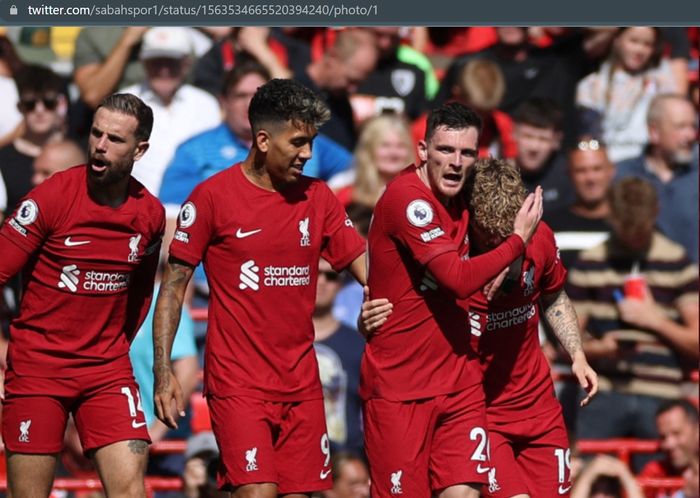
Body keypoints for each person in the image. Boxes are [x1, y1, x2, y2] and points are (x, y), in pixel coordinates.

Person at [152, 79, 376, 497]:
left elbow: (370, 272)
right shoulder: (212, 198)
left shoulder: (320, 198)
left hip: (303, 385)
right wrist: (163, 372)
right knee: (257, 492)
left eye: (312, 142)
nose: (308, 154)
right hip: (239, 384)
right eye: (298, 142)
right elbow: (173, 287)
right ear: (262, 140)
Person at [362, 102, 542, 498]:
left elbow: (508, 218)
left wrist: (513, 260)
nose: (456, 162)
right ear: (423, 151)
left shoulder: (465, 194)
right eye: (445, 150)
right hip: (400, 387)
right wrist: (516, 243)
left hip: (460, 382)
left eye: (466, 153)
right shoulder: (407, 200)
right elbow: (458, 280)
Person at [0, 92, 164, 497]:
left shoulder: (150, 215)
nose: (100, 146)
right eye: (96, 133)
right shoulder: (50, 198)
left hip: (105, 368)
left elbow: (141, 292)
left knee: (131, 491)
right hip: (39, 366)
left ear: (139, 150)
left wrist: (113, 346)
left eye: (115, 139)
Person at [464, 158, 598, 498]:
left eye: (507, 238)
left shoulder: (539, 238)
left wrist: (577, 354)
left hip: (539, 405)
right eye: (489, 239)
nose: (500, 248)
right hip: (484, 411)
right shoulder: (453, 253)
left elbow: (553, 296)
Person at [567, 177, 699, 470]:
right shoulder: (591, 261)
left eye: (640, 231)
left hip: (661, 397)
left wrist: (654, 320)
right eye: (627, 231)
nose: (635, 239)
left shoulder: (677, 262)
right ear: (611, 217)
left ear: (655, 213)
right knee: (592, 479)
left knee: (659, 481)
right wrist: (601, 349)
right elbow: (566, 338)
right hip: (603, 391)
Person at [120, 27, 221, 196]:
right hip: (137, 208)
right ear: (143, 63)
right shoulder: (122, 103)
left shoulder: (206, 105)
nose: (164, 70)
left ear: (186, 64)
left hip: (196, 207)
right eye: (156, 61)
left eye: (171, 62)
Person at [576, 27, 680, 162]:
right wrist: (595, 155)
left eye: (647, 44)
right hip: (608, 162)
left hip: (648, 163)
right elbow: (588, 136)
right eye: (633, 41)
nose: (640, 50)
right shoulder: (591, 85)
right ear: (617, 40)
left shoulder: (660, 82)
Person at [615, 94, 698, 262]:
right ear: (654, 132)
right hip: (641, 281)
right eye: (681, 127)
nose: (690, 135)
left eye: (693, 126)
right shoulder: (623, 174)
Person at [313, 259, 365, 456]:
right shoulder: (281, 341)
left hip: (346, 460)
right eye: (314, 273)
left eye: (331, 276)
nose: (322, 281)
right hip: (294, 459)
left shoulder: (357, 344)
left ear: (341, 284)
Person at [511, 98, 575, 214]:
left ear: (557, 141)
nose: (534, 147)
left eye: (543, 139)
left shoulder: (571, 175)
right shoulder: (497, 175)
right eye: (528, 136)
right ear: (513, 133)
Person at [639, 400, 699, 491]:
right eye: (663, 437)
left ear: (697, 430)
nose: (669, 444)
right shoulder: (655, 473)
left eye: (676, 433)